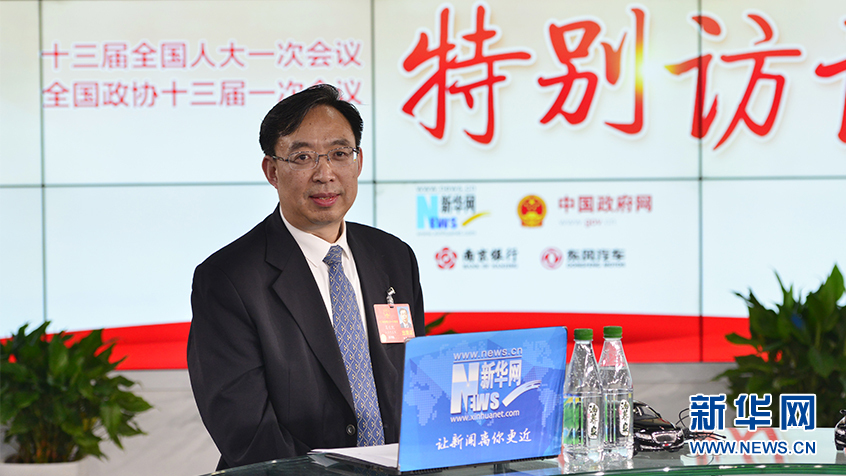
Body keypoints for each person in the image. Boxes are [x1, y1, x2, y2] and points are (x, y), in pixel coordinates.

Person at [187, 84, 425, 470]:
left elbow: (413, 385)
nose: (325, 174)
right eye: (303, 157)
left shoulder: (394, 257)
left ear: (359, 162)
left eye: (339, 154)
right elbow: (246, 431)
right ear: (272, 170)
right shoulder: (228, 278)